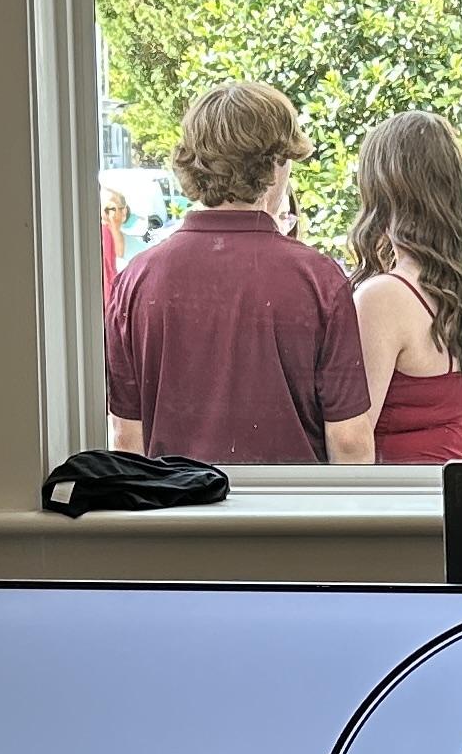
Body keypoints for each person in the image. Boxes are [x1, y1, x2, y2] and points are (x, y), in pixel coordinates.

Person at [102, 81, 373, 467]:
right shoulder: (318, 280)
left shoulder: (137, 280)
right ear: (276, 164)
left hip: (178, 501)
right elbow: (348, 442)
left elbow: (127, 439)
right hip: (293, 503)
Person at [345, 110, 462, 465]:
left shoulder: (383, 299)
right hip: (456, 486)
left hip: (401, 495)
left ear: (381, 194)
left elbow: (352, 440)